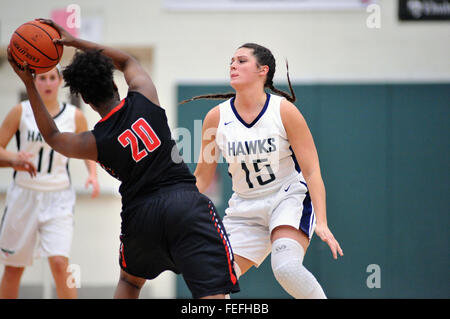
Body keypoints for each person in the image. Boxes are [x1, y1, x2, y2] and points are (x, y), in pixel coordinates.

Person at [7, 19, 240, 299]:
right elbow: (127, 60)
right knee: (212, 294)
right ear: (114, 83)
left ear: (89, 102)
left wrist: (29, 84)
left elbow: (54, 137)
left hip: (140, 215)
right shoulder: (144, 96)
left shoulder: (96, 141)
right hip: (184, 202)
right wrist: (74, 41)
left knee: (130, 283)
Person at [184, 43, 344, 299]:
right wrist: (176, 211)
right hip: (244, 208)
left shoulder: (284, 111)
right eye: (231, 61)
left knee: (286, 268)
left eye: (242, 60)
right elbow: (202, 176)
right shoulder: (216, 117)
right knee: (211, 285)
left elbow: (312, 170)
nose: (233, 65)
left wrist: (322, 222)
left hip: (287, 196)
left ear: (263, 70)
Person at [0, 64, 100, 299]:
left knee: (59, 262)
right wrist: (14, 157)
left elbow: (88, 149)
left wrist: (92, 175)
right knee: (14, 269)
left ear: (59, 81)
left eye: (51, 78)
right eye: (42, 78)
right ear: (34, 82)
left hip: (58, 196)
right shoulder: (20, 111)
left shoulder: (74, 116)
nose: (46, 83)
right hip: (24, 194)